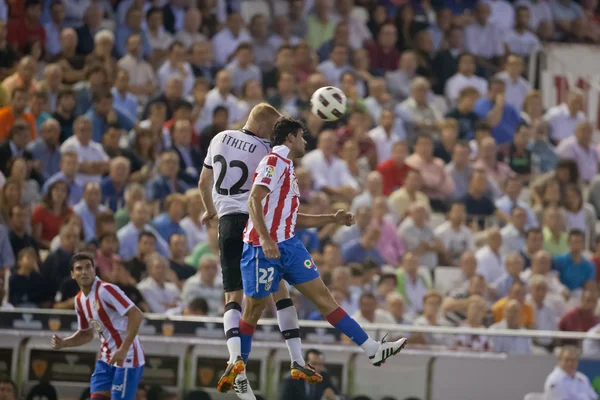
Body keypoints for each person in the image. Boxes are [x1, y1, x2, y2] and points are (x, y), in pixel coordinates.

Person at [238, 117, 407, 394]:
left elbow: (291, 219)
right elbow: (253, 200)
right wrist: (267, 240)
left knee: (325, 298)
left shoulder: (288, 168)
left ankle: (372, 349)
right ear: (290, 138)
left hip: (289, 246)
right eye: (302, 137)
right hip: (261, 246)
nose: (306, 141)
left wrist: (333, 218)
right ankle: (240, 372)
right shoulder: (273, 161)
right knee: (254, 309)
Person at [197, 104, 321, 396]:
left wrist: (209, 210)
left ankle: (234, 360)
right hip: (256, 223)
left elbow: (204, 181)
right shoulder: (267, 151)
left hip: (227, 222)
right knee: (280, 289)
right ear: (265, 128)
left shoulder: (219, 138)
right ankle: (296, 358)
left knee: (232, 297)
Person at [51, 253, 145, 400]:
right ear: (72, 274)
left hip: (127, 357)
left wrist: (123, 349)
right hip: (106, 359)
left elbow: (136, 314)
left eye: (88, 267)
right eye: (79, 268)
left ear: (94, 270)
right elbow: (86, 334)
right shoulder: (79, 300)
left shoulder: (106, 290)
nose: (84, 272)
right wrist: (64, 342)